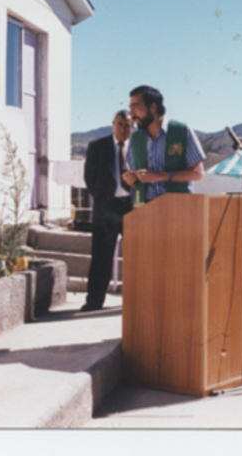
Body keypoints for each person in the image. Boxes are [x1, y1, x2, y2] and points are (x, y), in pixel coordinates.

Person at [82, 110, 133, 312]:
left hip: (131, 208)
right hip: (106, 208)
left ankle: (134, 300)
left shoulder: (139, 148)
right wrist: (104, 200)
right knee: (101, 257)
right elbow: (89, 178)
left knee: (135, 257)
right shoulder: (97, 146)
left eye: (127, 125)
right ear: (113, 124)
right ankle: (94, 302)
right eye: (120, 124)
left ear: (133, 127)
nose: (123, 129)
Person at [123, 85, 205, 203]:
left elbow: (198, 173)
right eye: (130, 108)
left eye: (135, 107)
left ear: (153, 107)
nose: (131, 113)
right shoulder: (135, 138)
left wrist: (160, 176)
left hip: (178, 207)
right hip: (144, 209)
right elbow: (132, 175)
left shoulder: (182, 131)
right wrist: (130, 179)